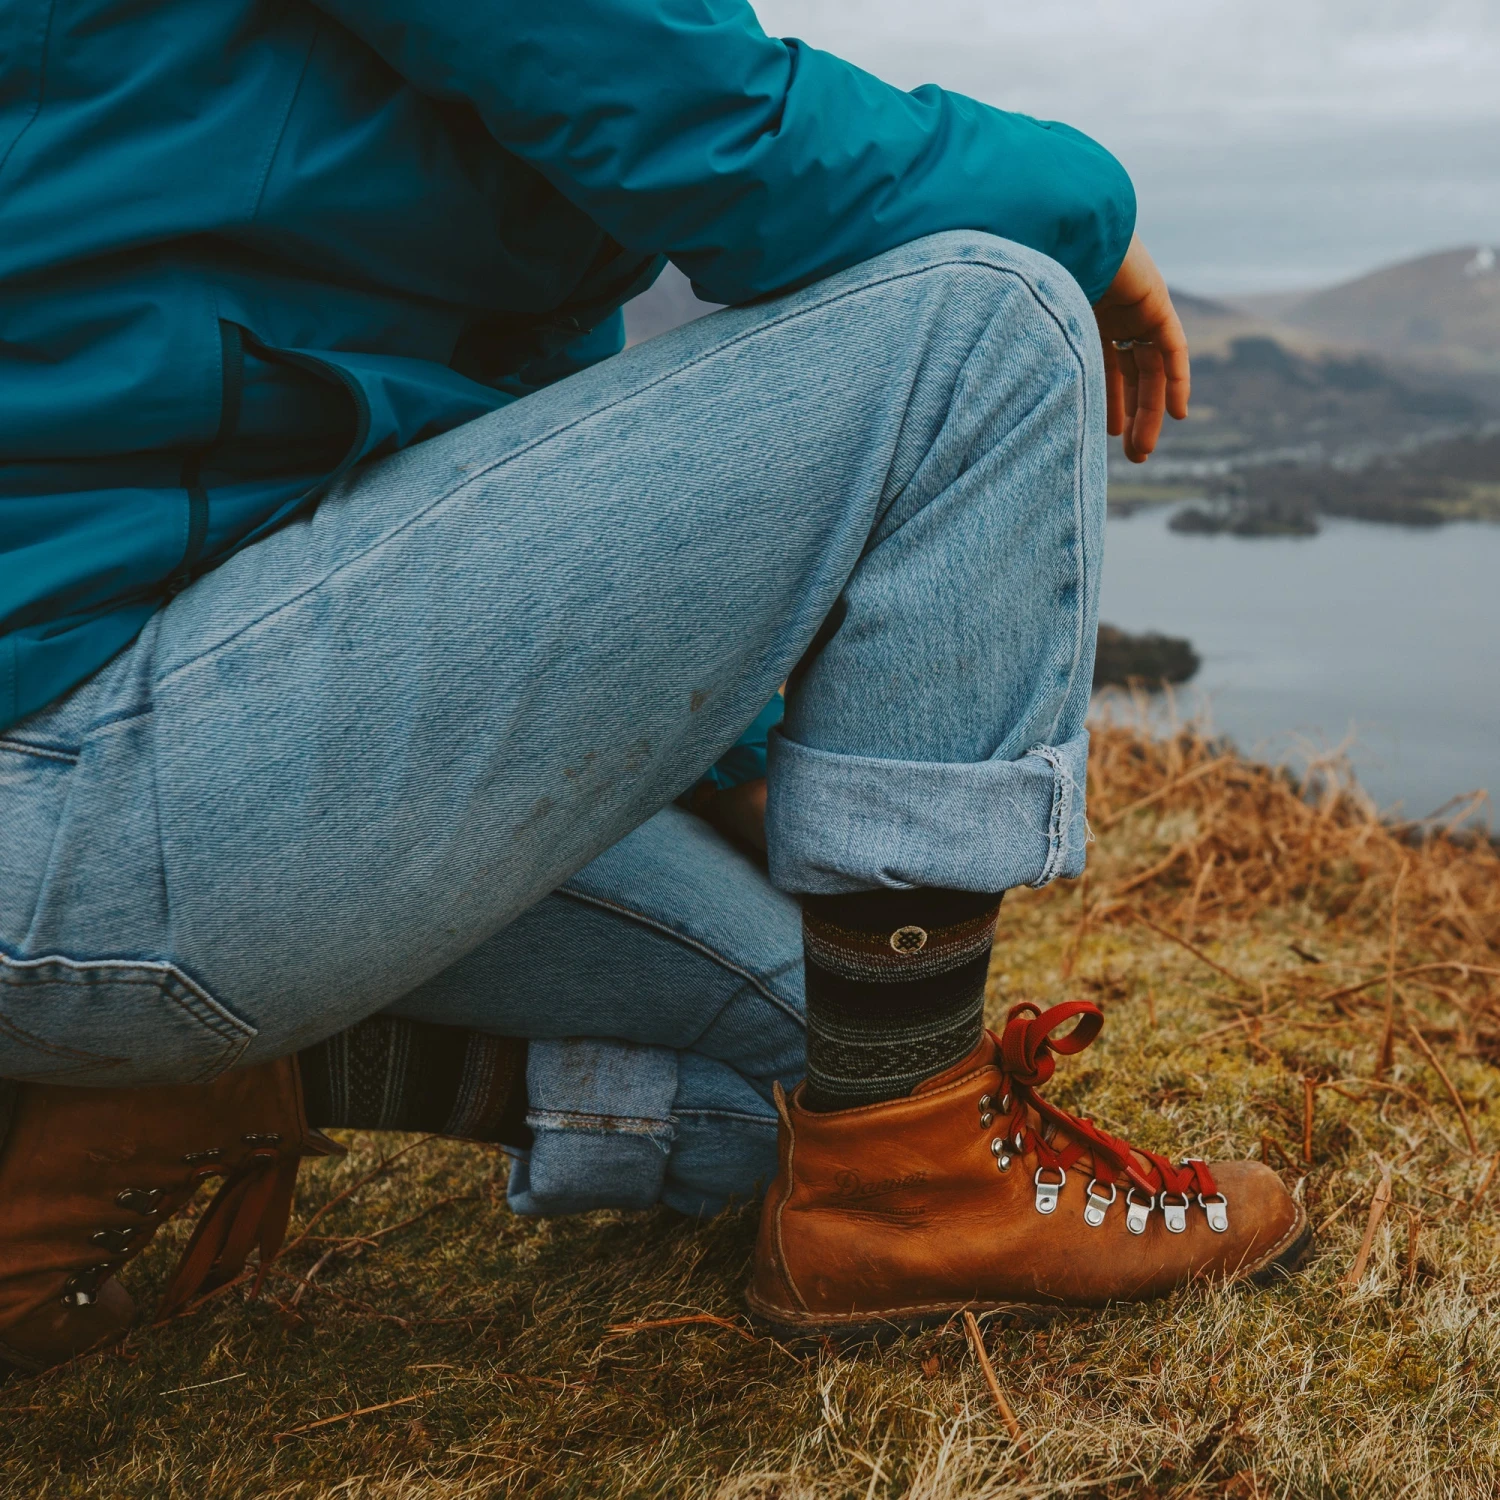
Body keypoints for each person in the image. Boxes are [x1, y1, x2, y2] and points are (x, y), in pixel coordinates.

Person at [0, 0, 1308, 1373]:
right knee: (985, 324)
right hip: (71, 782)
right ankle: (910, 1187)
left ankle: (173, 1092)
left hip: (161, 733)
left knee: (808, 1068)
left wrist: (737, 768)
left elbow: (486, 458)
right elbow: (718, 128)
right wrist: (1093, 216)